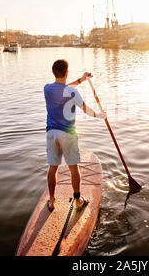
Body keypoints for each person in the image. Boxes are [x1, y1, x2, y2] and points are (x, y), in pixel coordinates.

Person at [44, 59, 106, 210]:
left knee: (53, 168)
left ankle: (52, 200)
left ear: (53, 72)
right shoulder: (73, 92)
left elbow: (63, 88)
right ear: (66, 72)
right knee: (73, 168)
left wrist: (81, 80)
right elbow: (85, 109)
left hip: (51, 134)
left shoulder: (47, 88)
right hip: (68, 134)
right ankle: (78, 201)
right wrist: (100, 115)